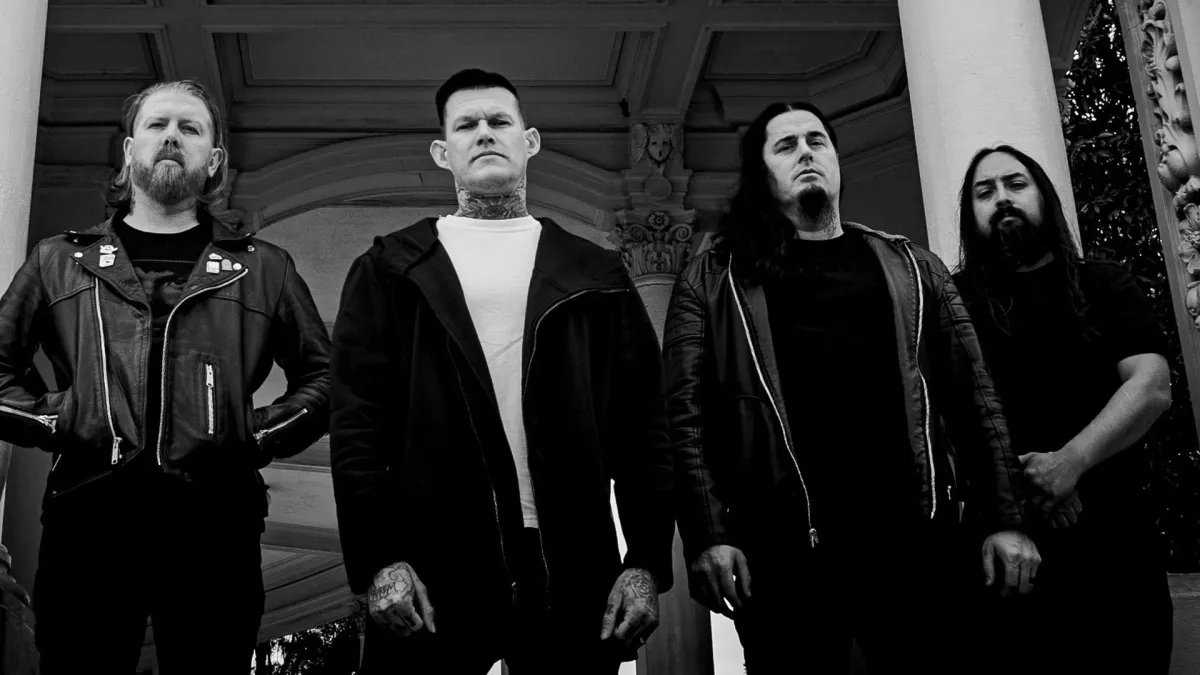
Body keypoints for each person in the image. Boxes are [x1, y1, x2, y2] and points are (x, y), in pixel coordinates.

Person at [663, 101, 1041, 674]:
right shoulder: (716, 277)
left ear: (837, 161)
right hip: (783, 555)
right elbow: (685, 416)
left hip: (915, 546)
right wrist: (708, 534)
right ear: (762, 173)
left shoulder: (913, 266)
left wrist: (1007, 518)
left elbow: (974, 398)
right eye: (786, 146)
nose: (806, 152)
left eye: (817, 141)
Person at [329, 68, 675, 674]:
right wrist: (379, 559)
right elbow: (358, 426)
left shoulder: (596, 273)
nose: (484, 133)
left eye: (499, 121)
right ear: (443, 152)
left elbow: (643, 426)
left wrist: (645, 560)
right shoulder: (391, 268)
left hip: (572, 563)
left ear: (529, 141)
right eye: (466, 125)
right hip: (431, 566)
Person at [0, 79, 331, 674]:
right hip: (88, 519)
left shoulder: (264, 268)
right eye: (157, 125)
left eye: (190, 128)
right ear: (130, 150)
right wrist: (63, 417)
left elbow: (326, 379)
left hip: (217, 523)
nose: (172, 137)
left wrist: (250, 434)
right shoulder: (59, 259)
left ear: (215, 160)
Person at [953, 144, 1174, 674]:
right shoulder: (953, 305)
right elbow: (945, 419)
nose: (1002, 199)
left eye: (1015, 184)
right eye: (985, 192)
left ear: (1045, 197)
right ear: (970, 215)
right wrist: (1027, 490)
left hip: (1120, 555)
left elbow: (1151, 385)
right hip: (1011, 559)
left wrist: (1070, 462)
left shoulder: (1104, 282)